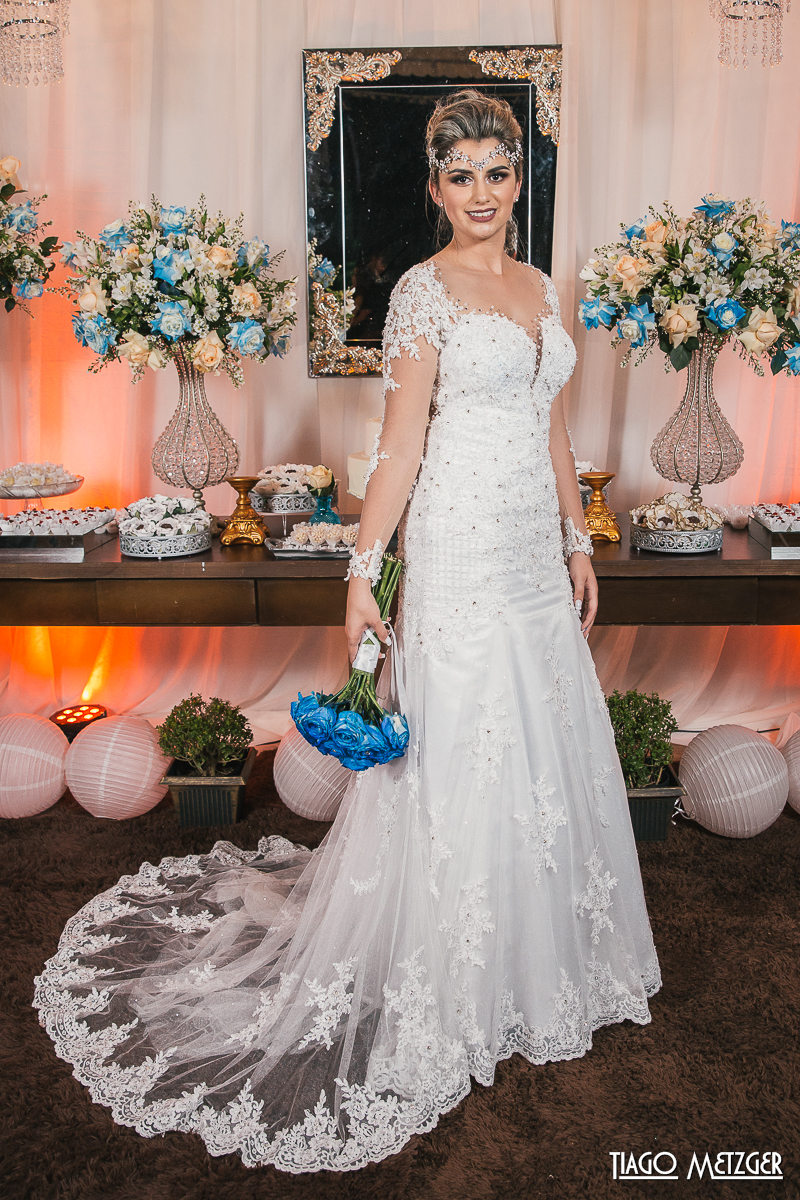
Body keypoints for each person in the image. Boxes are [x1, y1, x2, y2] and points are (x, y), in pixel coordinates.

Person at [34, 90, 660, 1175]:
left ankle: (536, 961)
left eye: (496, 172)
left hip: (527, 545)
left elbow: (551, 425)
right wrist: (363, 575)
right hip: (458, 544)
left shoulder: (536, 288)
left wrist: (575, 541)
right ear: (433, 189)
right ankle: (453, 971)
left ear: (519, 182)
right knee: (462, 735)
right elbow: (402, 450)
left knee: (540, 726)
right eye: (457, 174)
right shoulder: (422, 293)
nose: (479, 192)